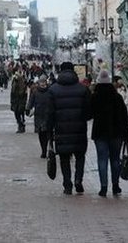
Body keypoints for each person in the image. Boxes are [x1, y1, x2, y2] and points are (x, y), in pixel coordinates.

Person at [47, 62, 92, 195]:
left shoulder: (53, 90)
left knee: (64, 158)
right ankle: (78, 179)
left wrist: (50, 131)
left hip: (61, 130)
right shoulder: (83, 89)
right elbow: (89, 112)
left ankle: (67, 184)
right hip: (79, 130)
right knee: (80, 156)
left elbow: (50, 113)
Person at [91, 70, 128, 197]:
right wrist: (127, 132)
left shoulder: (95, 97)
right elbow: (125, 117)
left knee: (102, 160)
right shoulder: (117, 97)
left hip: (100, 133)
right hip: (116, 133)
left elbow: (89, 113)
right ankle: (115, 185)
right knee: (115, 159)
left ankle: (103, 187)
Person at [26, 74, 50, 158]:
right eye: (41, 82)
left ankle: (45, 149)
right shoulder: (35, 92)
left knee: (46, 133)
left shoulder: (50, 91)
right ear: (39, 83)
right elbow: (31, 101)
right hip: (39, 115)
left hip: (47, 115)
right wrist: (28, 109)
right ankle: (43, 150)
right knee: (40, 134)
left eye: (44, 82)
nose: (43, 84)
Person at [10, 68, 28, 133]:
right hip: (15, 101)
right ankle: (21, 125)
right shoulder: (14, 83)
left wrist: (24, 103)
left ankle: (21, 127)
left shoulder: (23, 85)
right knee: (16, 115)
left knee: (19, 114)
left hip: (20, 102)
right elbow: (12, 93)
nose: (16, 77)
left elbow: (24, 95)